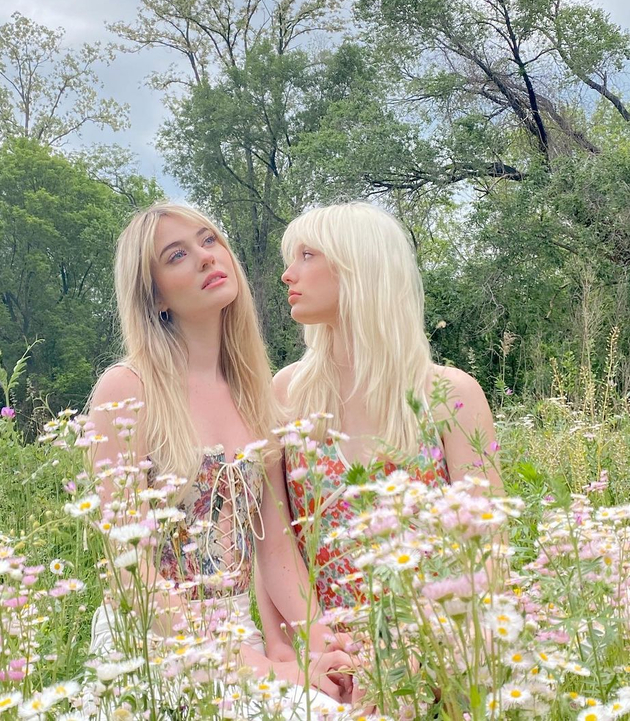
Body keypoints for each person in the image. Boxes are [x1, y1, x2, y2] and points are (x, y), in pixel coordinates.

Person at [86, 202, 352, 713]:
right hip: (152, 644)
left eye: (209, 240)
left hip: (237, 635)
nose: (206, 257)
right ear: (155, 295)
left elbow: (276, 552)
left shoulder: (255, 394)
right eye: (177, 255)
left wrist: (326, 648)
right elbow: (129, 574)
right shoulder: (128, 388)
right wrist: (266, 668)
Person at [258, 201, 502, 656]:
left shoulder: (450, 394)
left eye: (307, 256)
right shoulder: (287, 392)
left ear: (360, 267)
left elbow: (487, 545)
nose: (288, 275)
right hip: (327, 656)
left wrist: (425, 647)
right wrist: (320, 648)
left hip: (439, 648)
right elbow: (275, 542)